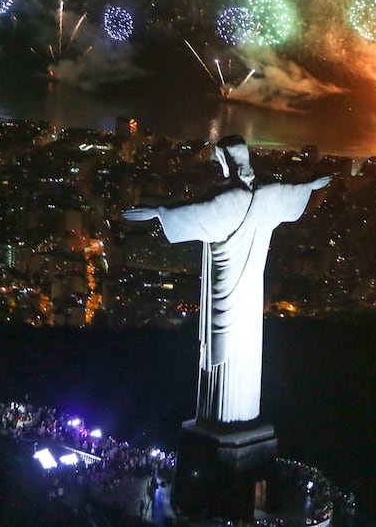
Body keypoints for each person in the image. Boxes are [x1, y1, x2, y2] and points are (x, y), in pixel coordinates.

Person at [123, 135, 330, 424]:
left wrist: (157, 212)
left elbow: (194, 213)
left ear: (224, 161)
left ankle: (220, 419)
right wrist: (311, 185)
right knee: (245, 346)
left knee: (222, 346)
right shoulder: (268, 190)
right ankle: (239, 416)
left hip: (225, 284)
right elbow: (292, 191)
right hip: (251, 288)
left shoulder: (227, 198)